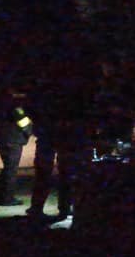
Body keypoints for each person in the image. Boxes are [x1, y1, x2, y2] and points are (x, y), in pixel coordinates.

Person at [26, 57, 98, 229]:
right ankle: (62, 209)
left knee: (47, 172)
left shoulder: (42, 89)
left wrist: (36, 126)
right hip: (62, 136)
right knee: (63, 172)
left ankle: (40, 208)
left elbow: (29, 109)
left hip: (51, 135)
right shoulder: (70, 88)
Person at [0, 75, 33, 206]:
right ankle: (6, 198)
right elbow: (22, 120)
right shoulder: (11, 103)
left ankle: (0, 195)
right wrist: (30, 131)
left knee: (7, 167)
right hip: (11, 139)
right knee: (11, 169)